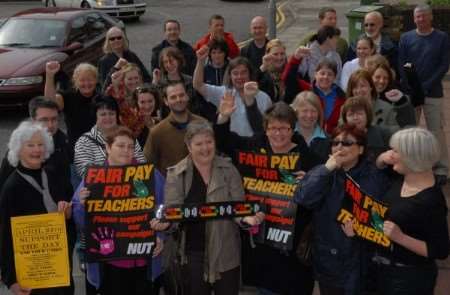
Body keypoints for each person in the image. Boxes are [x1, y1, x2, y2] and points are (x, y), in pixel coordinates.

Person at [215, 99, 319, 295]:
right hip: (262, 236)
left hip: (292, 241)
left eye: (284, 128)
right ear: (266, 128)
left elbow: (322, 182)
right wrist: (224, 116)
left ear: (292, 129)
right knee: (265, 287)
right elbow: (224, 141)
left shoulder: (304, 154)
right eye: (273, 128)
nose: (278, 134)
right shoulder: (255, 144)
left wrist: (310, 179)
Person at [152, 121, 264, 295]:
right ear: (189, 146)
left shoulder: (229, 170)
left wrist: (246, 219)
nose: (205, 148)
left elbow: (238, 208)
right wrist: (165, 224)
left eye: (209, 142)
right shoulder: (176, 174)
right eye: (199, 144)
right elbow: (172, 214)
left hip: (226, 251)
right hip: (191, 254)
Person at [294, 124, 390, 295]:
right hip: (330, 262)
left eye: (346, 143)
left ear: (360, 149)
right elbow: (303, 198)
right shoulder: (322, 171)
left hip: (364, 262)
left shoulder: (375, 176)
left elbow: (380, 216)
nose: (339, 147)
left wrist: (360, 231)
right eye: (335, 142)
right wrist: (326, 170)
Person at [72, 126, 165, 295]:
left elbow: (165, 207)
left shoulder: (150, 175)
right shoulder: (94, 178)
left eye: (130, 146)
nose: (126, 151)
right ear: (107, 148)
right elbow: (79, 221)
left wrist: (161, 235)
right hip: (110, 261)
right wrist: (82, 204)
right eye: (121, 146)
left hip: (145, 259)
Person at [0, 121, 75, 295]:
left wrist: (68, 212)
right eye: (30, 145)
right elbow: (5, 235)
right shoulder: (12, 187)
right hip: (32, 274)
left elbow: (70, 209)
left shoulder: (53, 173)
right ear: (18, 149)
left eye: (41, 144)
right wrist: (10, 279)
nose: (37, 149)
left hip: (59, 267)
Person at [375, 127, 449, 295]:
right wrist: (382, 158)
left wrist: (400, 237)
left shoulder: (431, 201)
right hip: (384, 271)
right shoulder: (400, 177)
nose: (391, 154)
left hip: (409, 279)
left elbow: (440, 250)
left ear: (412, 157)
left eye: (396, 151)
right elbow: (378, 164)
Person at [398, 4, 450, 184]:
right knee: (409, 130)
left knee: (436, 130)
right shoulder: (406, 38)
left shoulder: (442, 38)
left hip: (433, 91)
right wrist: (411, 87)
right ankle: (409, 164)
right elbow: (402, 64)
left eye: (424, 16)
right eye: (417, 17)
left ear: (431, 17)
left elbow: (444, 65)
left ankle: (441, 168)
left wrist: (426, 87)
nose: (420, 19)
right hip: (411, 92)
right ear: (413, 19)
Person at [194, 46, 272, 137]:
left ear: (250, 74)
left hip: (254, 147)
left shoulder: (264, 97)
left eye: (243, 73)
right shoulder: (223, 92)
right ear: (230, 76)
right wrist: (200, 61)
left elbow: (268, 127)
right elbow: (198, 85)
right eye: (235, 73)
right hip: (231, 146)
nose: (239, 77)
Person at [0, 97, 71, 194]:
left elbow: (66, 182)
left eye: (54, 119)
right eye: (44, 120)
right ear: (33, 120)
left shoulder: (64, 142)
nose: (50, 125)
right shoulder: (18, 148)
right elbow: (3, 186)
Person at [44, 61, 99, 173]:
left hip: (100, 156)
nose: (86, 84)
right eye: (82, 80)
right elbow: (49, 101)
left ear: (96, 80)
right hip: (76, 156)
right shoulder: (68, 97)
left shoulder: (101, 98)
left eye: (90, 79)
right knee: (78, 190)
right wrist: (50, 76)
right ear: (75, 81)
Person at [73, 96, 145, 178]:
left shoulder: (128, 137)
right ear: (95, 116)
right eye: (103, 114)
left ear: (117, 115)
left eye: (111, 113)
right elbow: (85, 173)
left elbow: (142, 166)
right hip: (99, 188)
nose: (108, 118)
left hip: (131, 186)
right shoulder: (83, 142)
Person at [143, 82, 205, 176]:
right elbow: (146, 165)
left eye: (181, 95)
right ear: (166, 101)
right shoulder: (157, 132)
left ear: (187, 96)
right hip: (171, 187)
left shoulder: (202, 124)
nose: (178, 99)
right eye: (173, 97)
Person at [283, 57, 346, 133]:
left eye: (330, 74)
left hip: (333, 137)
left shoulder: (342, 96)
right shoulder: (307, 88)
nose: (325, 77)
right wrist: (295, 59)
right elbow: (288, 78)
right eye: (322, 73)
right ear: (315, 74)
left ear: (334, 77)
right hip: (307, 134)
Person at [153, 47, 200, 118]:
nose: (169, 64)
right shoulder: (159, 83)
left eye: (171, 60)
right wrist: (155, 83)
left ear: (179, 60)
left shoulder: (190, 81)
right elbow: (155, 105)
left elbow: (195, 105)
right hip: (167, 122)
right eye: (165, 62)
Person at [341, 96, 391, 163]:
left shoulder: (384, 134)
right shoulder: (339, 138)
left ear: (367, 115)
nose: (355, 118)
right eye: (351, 114)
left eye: (359, 113)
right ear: (345, 119)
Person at [370, 63, 416, 133]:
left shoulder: (397, 97)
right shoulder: (364, 98)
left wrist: (402, 102)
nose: (381, 81)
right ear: (370, 77)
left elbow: (409, 125)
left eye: (385, 78)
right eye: (377, 77)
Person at [107, 63, 146, 138]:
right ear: (123, 80)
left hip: (141, 136)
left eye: (136, 78)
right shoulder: (117, 95)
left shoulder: (143, 93)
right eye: (130, 79)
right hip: (121, 137)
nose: (133, 81)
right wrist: (115, 86)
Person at [290, 91, 329, 162]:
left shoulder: (328, 140)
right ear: (296, 112)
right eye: (305, 111)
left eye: (313, 111)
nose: (309, 115)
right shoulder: (286, 136)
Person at [202, 39, 229, 122]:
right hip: (209, 115)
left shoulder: (232, 68)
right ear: (209, 54)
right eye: (214, 52)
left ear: (225, 53)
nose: (217, 55)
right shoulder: (204, 71)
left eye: (220, 52)